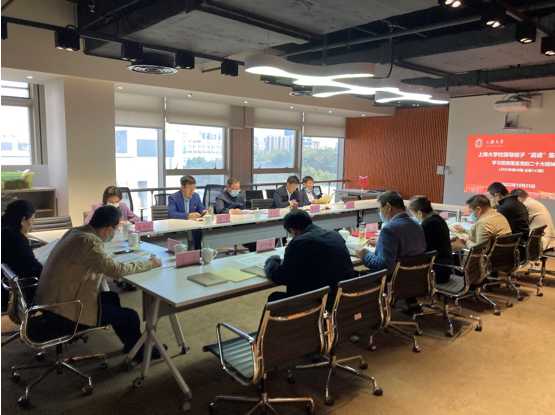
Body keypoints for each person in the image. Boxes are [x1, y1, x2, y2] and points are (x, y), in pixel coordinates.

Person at [34, 205, 163, 362]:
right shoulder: (90, 242)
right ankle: (140, 352)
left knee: (111, 298)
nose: (114, 233)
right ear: (108, 229)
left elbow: (97, 261)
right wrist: (149, 264)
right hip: (65, 310)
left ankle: (133, 346)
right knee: (131, 316)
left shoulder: (76, 232)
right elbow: (116, 271)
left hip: (51, 302)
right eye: (115, 229)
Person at [264, 209, 355, 311]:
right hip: (343, 299)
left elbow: (282, 277)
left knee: (274, 298)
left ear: (293, 231)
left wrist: (272, 260)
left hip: (315, 304)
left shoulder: (298, 243)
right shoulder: (335, 235)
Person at [355, 191, 427, 314]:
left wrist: (365, 255)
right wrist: (381, 243)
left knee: (355, 273)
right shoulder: (417, 224)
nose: (380, 213)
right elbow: (407, 249)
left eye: (379, 209)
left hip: (394, 283)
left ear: (388, 207)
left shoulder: (389, 229)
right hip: (414, 280)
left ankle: (368, 316)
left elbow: (383, 267)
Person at [1, 200, 43, 311]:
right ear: (23, 220)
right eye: (32, 221)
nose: (31, 226)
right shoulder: (16, 239)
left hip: (6, 288)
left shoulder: (4, 233)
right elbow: (34, 270)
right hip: (19, 293)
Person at [408, 196, 454, 284]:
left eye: (413, 215)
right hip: (445, 268)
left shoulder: (428, 224)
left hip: (436, 271)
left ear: (420, 213)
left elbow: (417, 247)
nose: (414, 217)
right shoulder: (439, 219)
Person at [168, 175, 208, 250]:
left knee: (199, 232)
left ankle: (198, 252)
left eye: (194, 188)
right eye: (190, 189)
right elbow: (172, 214)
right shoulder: (173, 197)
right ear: (182, 187)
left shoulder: (196, 196)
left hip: (193, 227)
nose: (192, 191)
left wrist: (204, 211)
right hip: (178, 228)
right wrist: (188, 215)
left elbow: (201, 207)